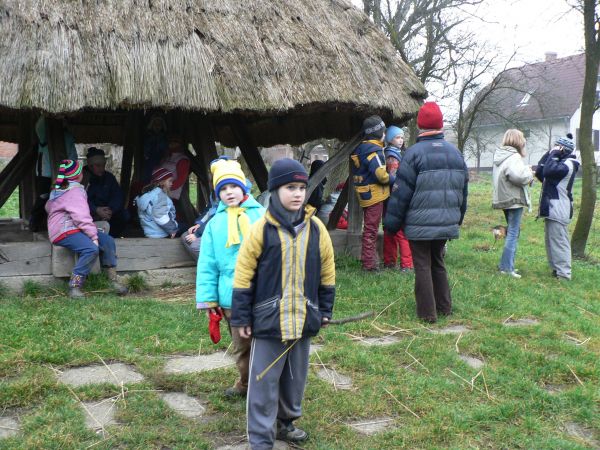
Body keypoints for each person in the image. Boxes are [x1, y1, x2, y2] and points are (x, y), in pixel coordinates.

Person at [231, 158, 335, 449]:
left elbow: (327, 272)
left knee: (294, 378)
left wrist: (325, 309)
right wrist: (241, 318)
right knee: (263, 382)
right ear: (274, 191)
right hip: (268, 322)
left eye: (302, 187)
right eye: (290, 187)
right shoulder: (260, 229)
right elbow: (243, 276)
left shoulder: (316, 229)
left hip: (303, 318)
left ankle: (285, 423)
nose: (298, 194)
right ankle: (261, 439)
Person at [384, 102, 468, 323]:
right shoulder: (456, 154)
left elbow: (401, 194)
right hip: (446, 221)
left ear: (420, 125)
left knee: (422, 264)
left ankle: (427, 314)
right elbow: (463, 192)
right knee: (438, 262)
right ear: (440, 124)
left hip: (419, 222)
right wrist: (457, 219)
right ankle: (444, 307)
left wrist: (391, 225)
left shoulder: (412, 154)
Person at [196, 159, 265, 397]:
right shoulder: (215, 224)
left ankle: (267, 383)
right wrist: (209, 300)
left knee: (266, 341)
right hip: (231, 296)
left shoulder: (263, 217)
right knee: (242, 343)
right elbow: (207, 264)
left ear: (244, 187)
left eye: (233, 186)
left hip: (263, 292)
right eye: (223, 189)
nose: (229, 192)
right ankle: (246, 382)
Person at [45, 160, 128, 298]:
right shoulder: (75, 191)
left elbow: (49, 208)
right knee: (90, 249)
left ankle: (111, 280)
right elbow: (81, 217)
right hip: (64, 230)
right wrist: (93, 237)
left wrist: (92, 233)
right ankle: (75, 286)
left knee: (107, 241)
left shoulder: (60, 189)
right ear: (79, 175)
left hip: (75, 228)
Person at [534, 136, 579, 281]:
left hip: (559, 208)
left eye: (557, 147)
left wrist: (553, 154)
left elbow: (548, 171)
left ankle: (564, 274)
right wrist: (549, 153)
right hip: (552, 208)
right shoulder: (559, 164)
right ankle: (556, 270)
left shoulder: (569, 164)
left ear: (563, 150)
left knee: (559, 242)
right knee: (551, 241)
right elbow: (540, 172)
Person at [492, 129, 534, 279]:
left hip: (503, 198)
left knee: (512, 231)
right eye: (522, 138)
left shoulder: (500, 155)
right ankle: (507, 268)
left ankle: (506, 264)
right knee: (514, 233)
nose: (524, 141)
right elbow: (518, 176)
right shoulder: (514, 156)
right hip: (513, 199)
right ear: (518, 140)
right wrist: (529, 172)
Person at [351, 115, 390, 271]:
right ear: (379, 133)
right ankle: (369, 265)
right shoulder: (374, 151)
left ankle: (370, 261)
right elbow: (380, 174)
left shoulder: (362, 148)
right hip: (375, 195)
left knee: (369, 228)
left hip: (365, 194)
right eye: (384, 131)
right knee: (371, 230)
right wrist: (392, 179)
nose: (385, 135)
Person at [383, 126, 413, 271]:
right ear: (390, 139)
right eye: (397, 137)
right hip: (395, 198)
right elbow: (394, 178)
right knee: (401, 231)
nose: (400, 140)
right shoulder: (392, 156)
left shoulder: (394, 153)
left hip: (391, 198)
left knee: (390, 230)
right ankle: (406, 264)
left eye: (402, 137)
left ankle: (390, 262)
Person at [84, 147, 130, 238]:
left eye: (103, 165)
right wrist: (95, 210)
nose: (102, 168)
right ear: (90, 166)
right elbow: (77, 199)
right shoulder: (82, 177)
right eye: (98, 165)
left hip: (107, 212)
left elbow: (118, 196)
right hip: (89, 212)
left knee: (125, 215)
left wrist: (110, 211)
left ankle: (112, 237)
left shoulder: (109, 177)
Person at [136, 168, 185, 238]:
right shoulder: (160, 196)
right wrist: (172, 230)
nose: (172, 183)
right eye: (170, 181)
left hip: (150, 232)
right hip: (162, 233)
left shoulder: (147, 195)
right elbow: (160, 216)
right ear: (161, 182)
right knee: (186, 228)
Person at [159, 136, 191, 202]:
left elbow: (180, 181)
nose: (172, 144)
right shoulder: (167, 157)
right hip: (160, 192)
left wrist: (165, 188)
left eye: (175, 142)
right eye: (170, 142)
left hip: (171, 195)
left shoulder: (183, 160)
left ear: (180, 144)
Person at [143, 115, 169, 183]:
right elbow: (146, 150)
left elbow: (165, 149)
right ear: (152, 125)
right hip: (150, 162)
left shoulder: (164, 137)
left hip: (162, 161)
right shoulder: (148, 137)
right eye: (155, 124)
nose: (157, 126)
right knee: (148, 180)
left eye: (159, 124)